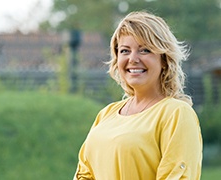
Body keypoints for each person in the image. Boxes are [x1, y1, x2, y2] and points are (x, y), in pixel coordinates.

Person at [73, 11, 202, 180]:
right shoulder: (106, 114)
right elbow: (84, 173)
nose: (133, 59)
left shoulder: (176, 113)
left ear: (164, 60)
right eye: (125, 51)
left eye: (145, 50)